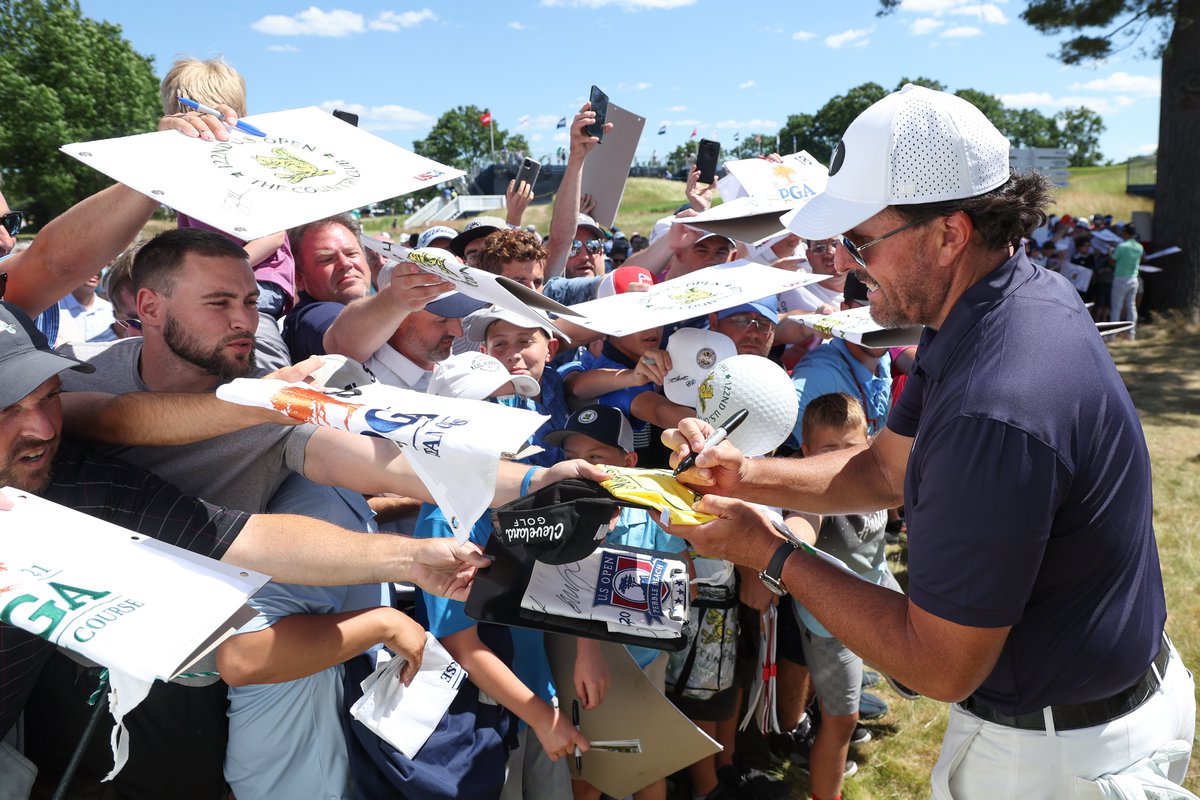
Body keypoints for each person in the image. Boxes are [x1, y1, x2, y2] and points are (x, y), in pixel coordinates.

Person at [663, 84, 1193, 799]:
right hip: (1094, 715)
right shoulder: (1004, 298)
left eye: (859, 240)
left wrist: (769, 551)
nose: (844, 263)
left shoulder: (994, 405)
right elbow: (887, 468)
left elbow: (939, 667)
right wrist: (745, 473)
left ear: (950, 233)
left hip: (1054, 758)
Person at [1109, 223, 1144, 336]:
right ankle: (1131, 334)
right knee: (1131, 306)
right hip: (1134, 279)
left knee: (1116, 308)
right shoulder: (1139, 247)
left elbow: (1112, 261)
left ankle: (1112, 335)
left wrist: (1110, 252)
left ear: (1126, 233)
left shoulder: (1122, 246)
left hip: (1121, 279)